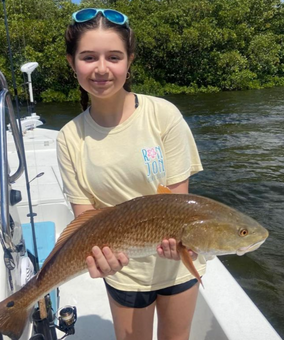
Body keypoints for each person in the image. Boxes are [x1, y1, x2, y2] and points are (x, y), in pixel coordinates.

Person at [57, 8, 206, 340]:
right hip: (123, 273)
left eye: (113, 56)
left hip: (178, 265)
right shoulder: (70, 138)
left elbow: (177, 205)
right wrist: (97, 258)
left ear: (129, 61)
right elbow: (87, 221)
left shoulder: (163, 115)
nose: (101, 68)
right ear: (72, 63)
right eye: (88, 57)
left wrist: (186, 242)